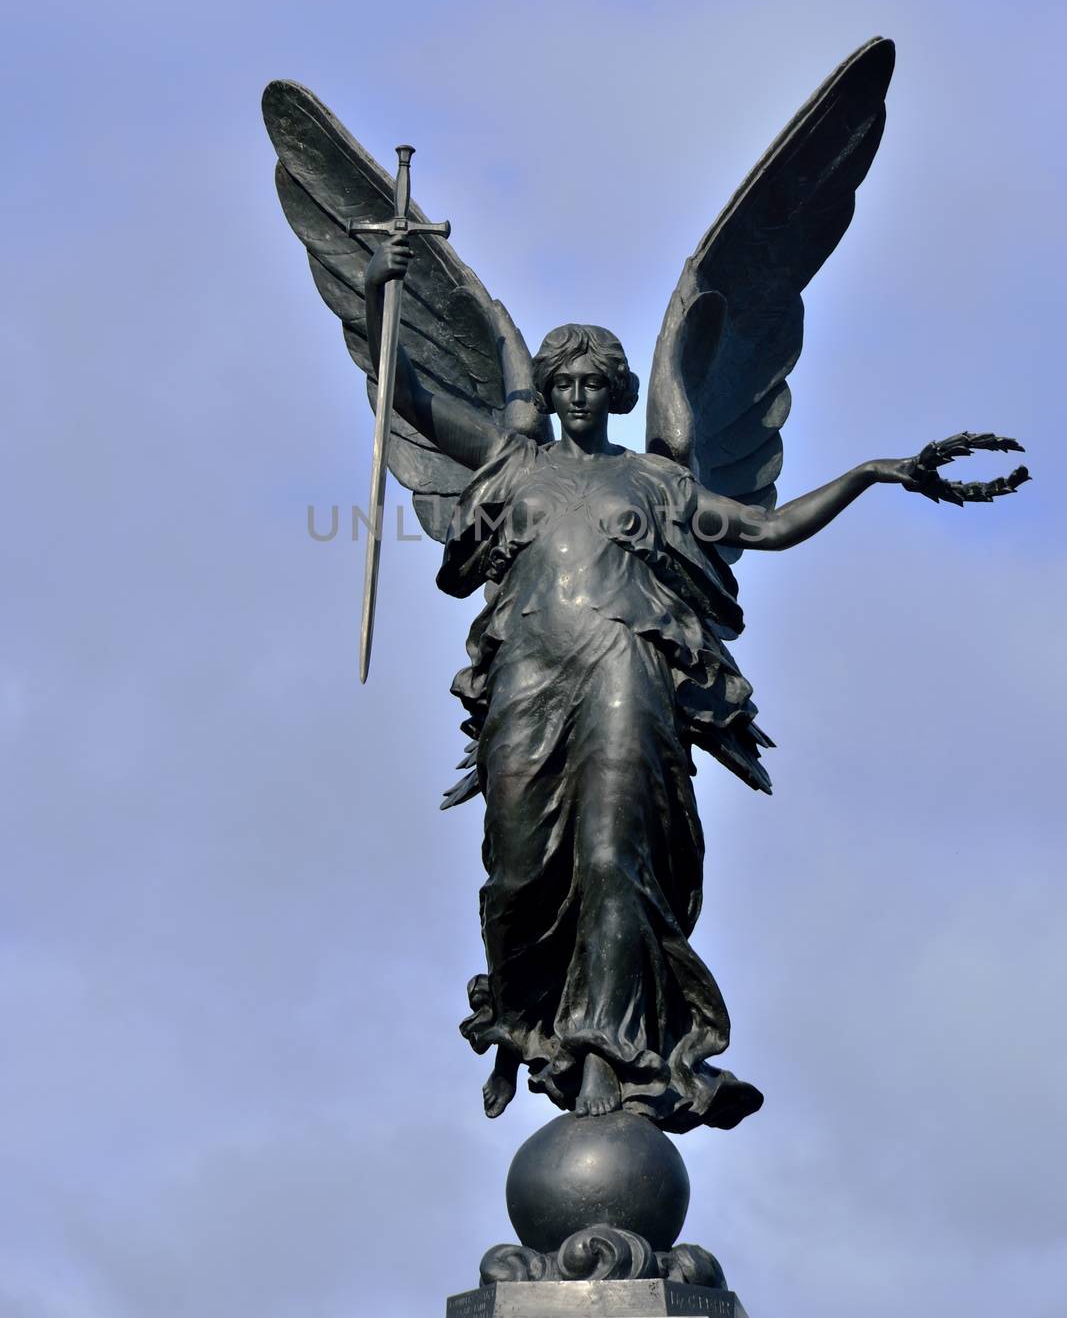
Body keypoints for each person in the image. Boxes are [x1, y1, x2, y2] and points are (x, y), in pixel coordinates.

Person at [364, 235, 922, 1133]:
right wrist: (378, 295)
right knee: (516, 873)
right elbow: (408, 395)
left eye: (594, 384)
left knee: (609, 861)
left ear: (617, 393)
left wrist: (866, 475)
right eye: (564, 384)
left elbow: (766, 527)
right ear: (546, 393)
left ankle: (604, 1050)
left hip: (626, 663)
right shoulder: (514, 466)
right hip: (529, 675)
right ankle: (529, 1021)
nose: (579, 398)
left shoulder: (656, 480)